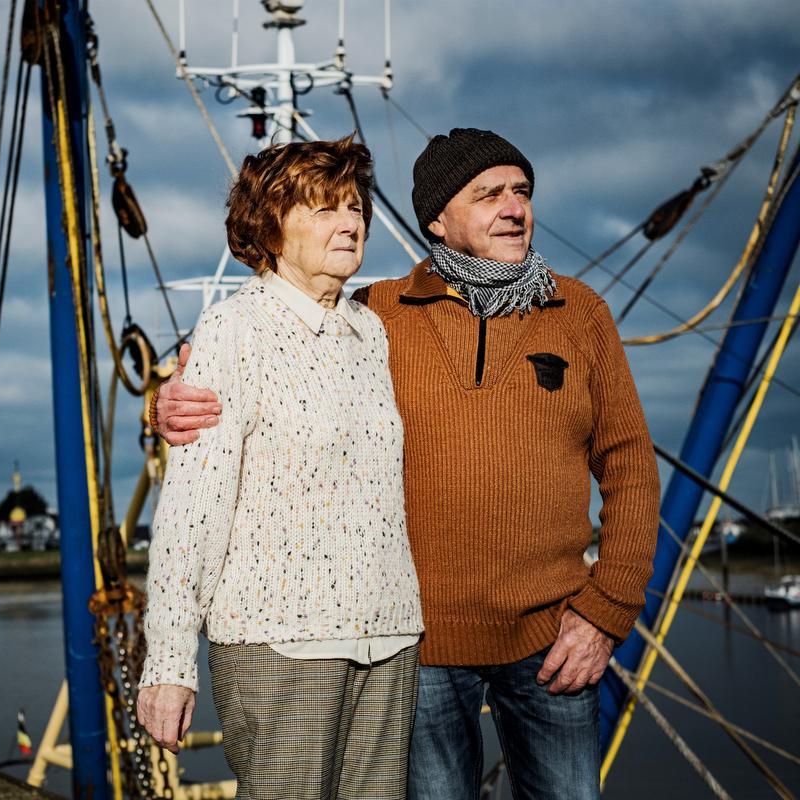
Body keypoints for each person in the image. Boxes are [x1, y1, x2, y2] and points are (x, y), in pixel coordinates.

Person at [152, 128, 660, 799]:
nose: (514, 207)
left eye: (522, 192)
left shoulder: (575, 313)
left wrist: (607, 611)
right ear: (437, 219)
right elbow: (252, 385)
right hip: (421, 652)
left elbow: (630, 466)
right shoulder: (379, 313)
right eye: (489, 194)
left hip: (551, 640)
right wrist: (165, 406)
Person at [137, 136, 424, 800]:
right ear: (269, 226)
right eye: (325, 208)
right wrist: (171, 662)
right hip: (278, 647)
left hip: (388, 642)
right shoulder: (232, 330)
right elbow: (192, 508)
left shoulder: (372, 331)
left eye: (355, 206)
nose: (350, 222)